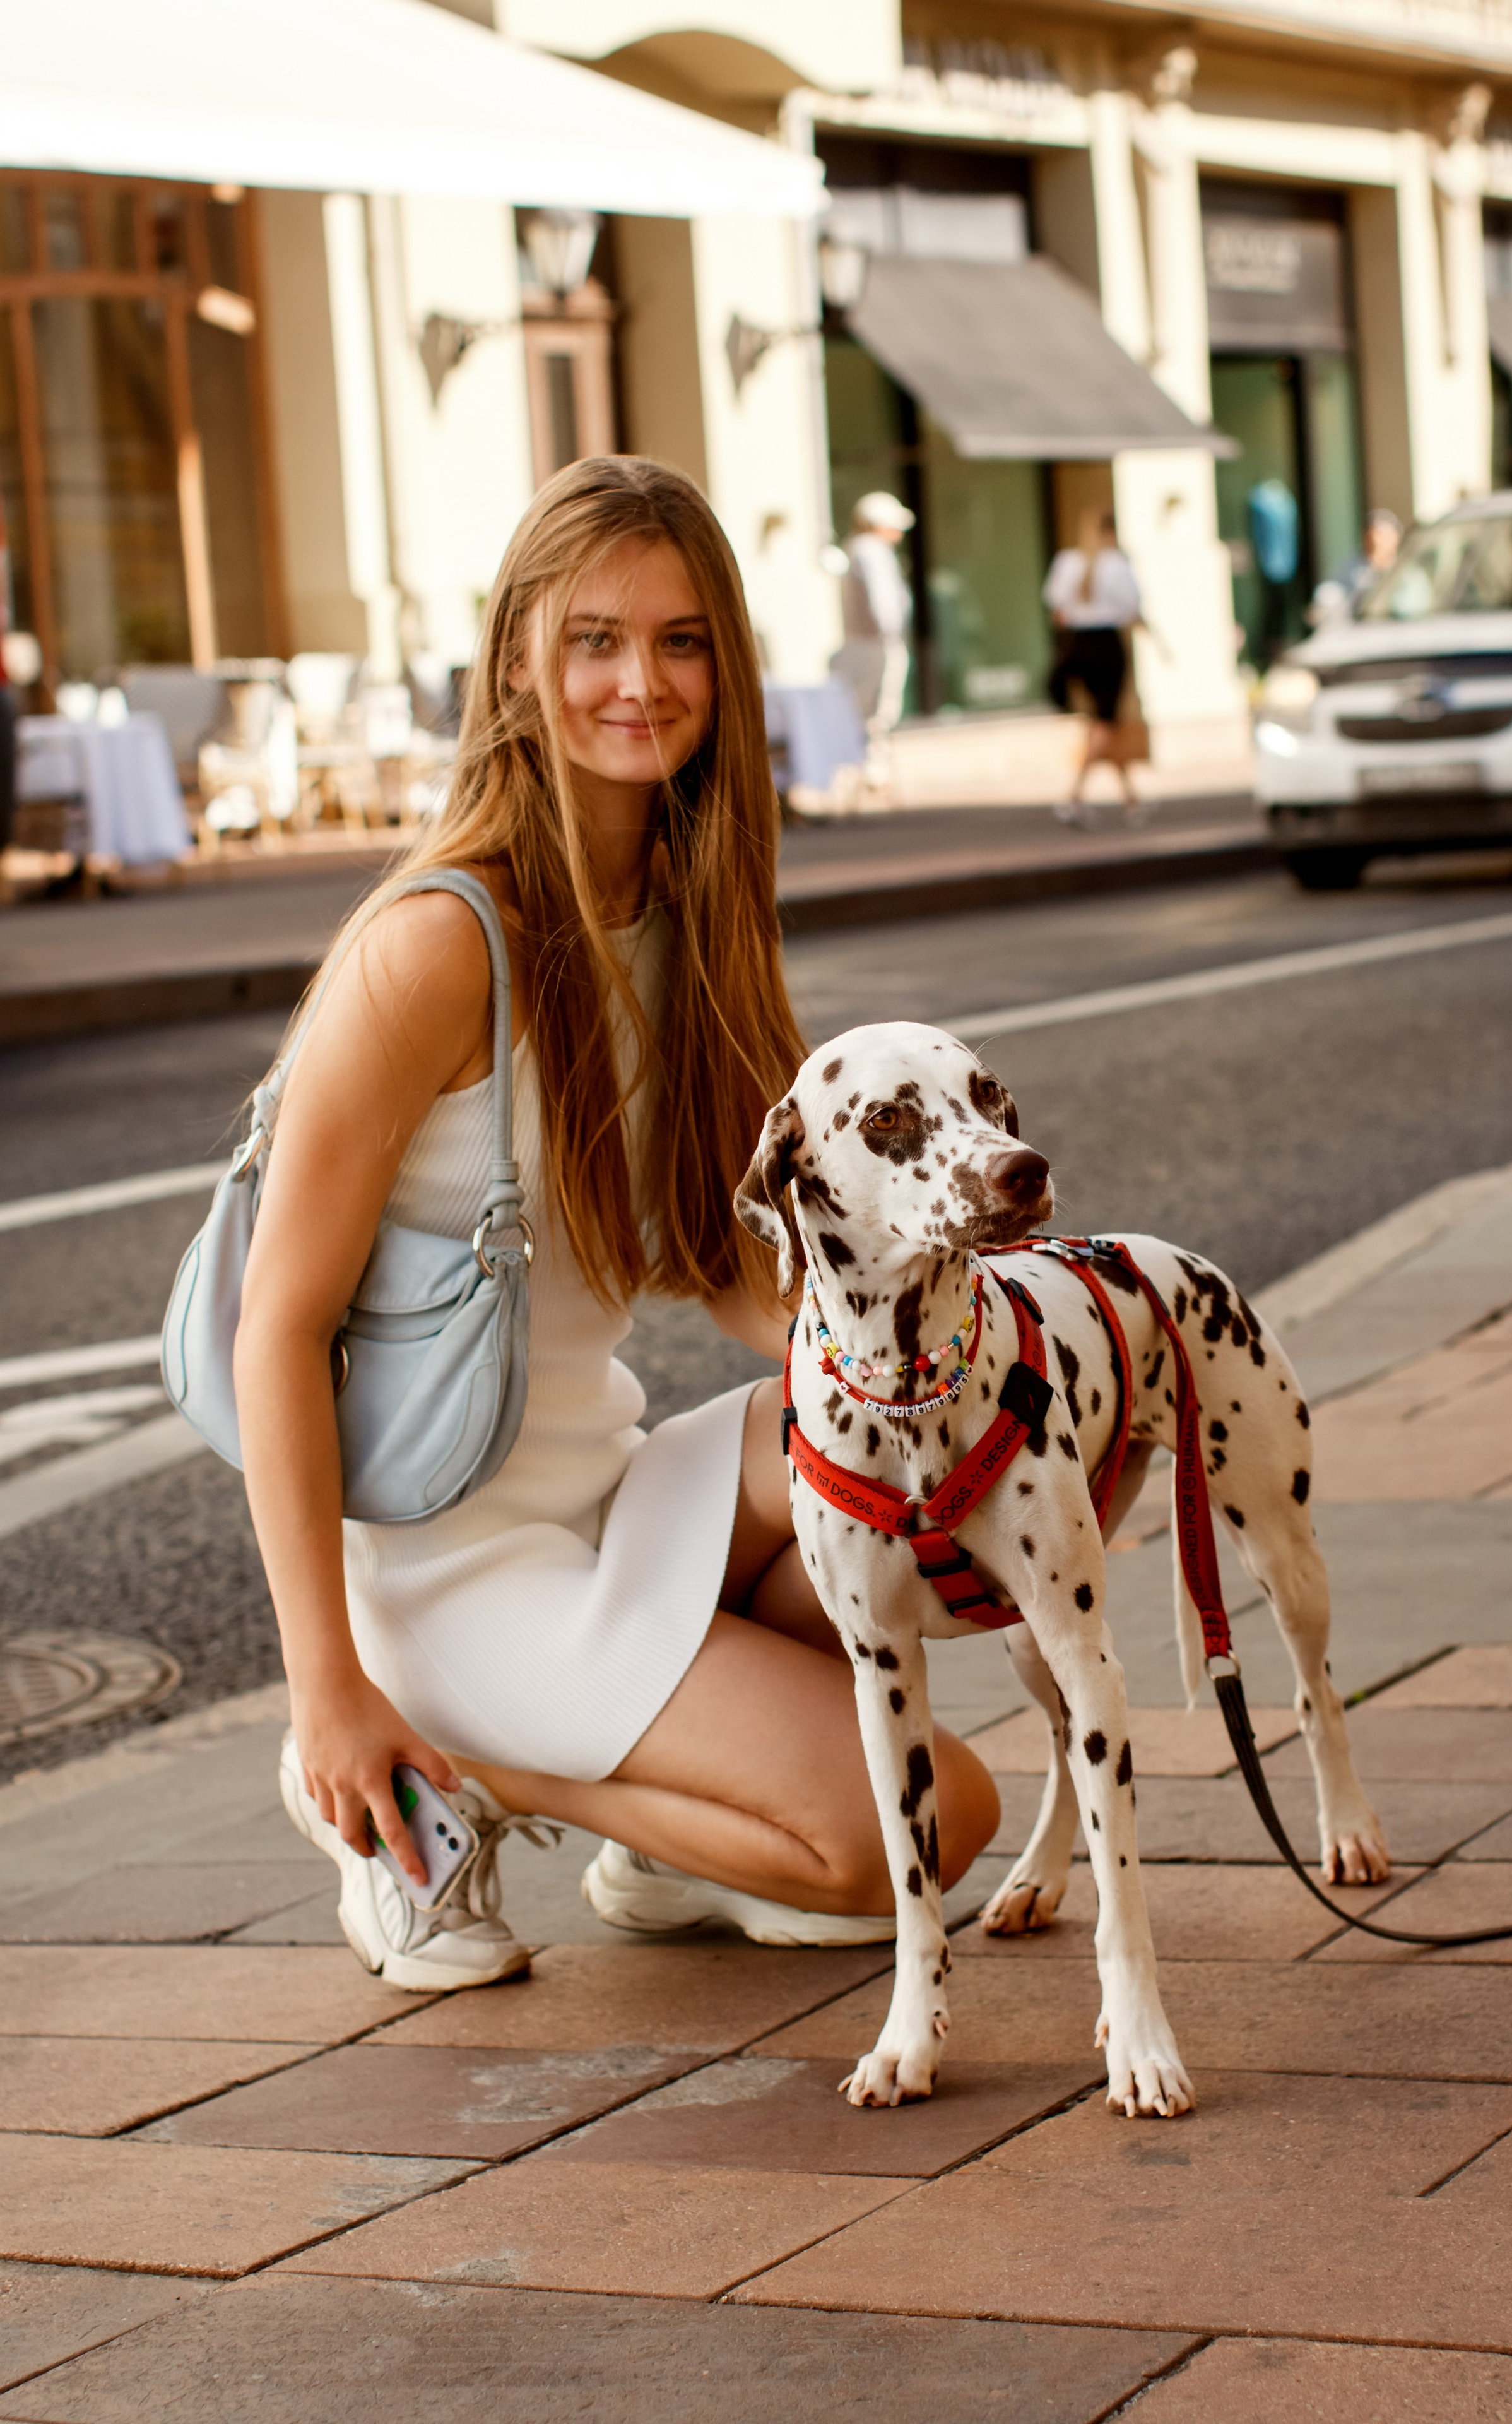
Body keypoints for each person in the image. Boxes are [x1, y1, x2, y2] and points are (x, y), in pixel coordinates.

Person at [236, 456, 999, 1990]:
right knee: (918, 1827)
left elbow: (722, 1256)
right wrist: (327, 1684)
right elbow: (279, 1328)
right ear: (518, 656)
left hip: (613, 1487)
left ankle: (676, 1826)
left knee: (943, 1452)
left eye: (678, 640)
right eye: (592, 638)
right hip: (459, 1570)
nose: (636, 683)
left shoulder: (689, 901)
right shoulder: (434, 946)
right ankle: (454, 1753)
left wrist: (909, 1374)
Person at [1043, 509, 1145, 824]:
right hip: (1105, 645)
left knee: (1104, 724)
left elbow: (1056, 609)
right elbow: (1133, 608)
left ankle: (1130, 798)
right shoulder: (1117, 564)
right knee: (1106, 721)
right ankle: (1075, 795)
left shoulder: (1066, 562)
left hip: (1076, 646)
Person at [830, 490, 914, 791]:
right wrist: (891, 635)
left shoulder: (856, 549)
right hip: (875, 645)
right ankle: (874, 770)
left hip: (862, 643)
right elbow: (885, 604)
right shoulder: (871, 550)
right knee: (878, 710)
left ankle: (870, 767)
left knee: (868, 711)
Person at [1309, 507, 1404, 627]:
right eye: (1371, 536)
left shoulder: (1406, 568)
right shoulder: (1352, 567)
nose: (1377, 541)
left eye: (1382, 536)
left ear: (1396, 538)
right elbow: (1331, 591)